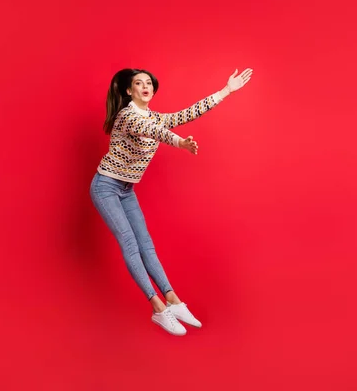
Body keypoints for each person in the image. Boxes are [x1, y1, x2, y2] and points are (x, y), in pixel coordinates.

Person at [89, 67, 253, 336]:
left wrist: (226, 91)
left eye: (149, 83)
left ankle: (173, 300)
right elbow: (157, 132)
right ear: (129, 91)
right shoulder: (128, 116)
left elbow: (184, 115)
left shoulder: (153, 116)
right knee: (130, 244)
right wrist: (180, 143)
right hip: (105, 187)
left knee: (147, 245)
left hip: (127, 189)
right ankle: (157, 307)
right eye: (138, 83)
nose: (145, 87)